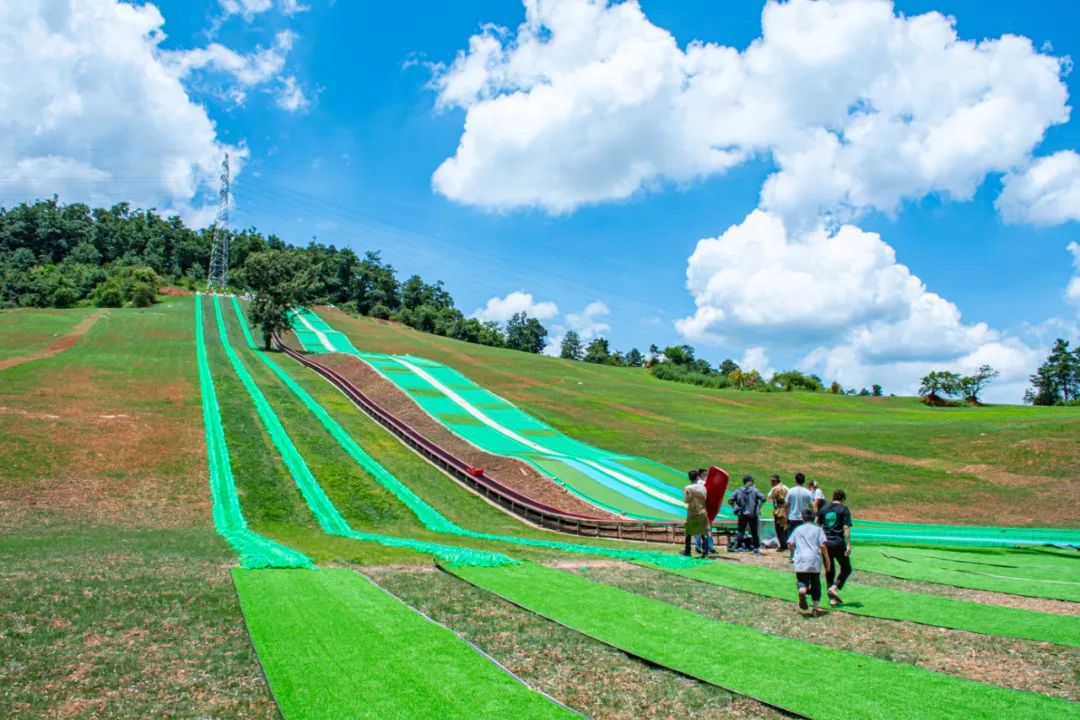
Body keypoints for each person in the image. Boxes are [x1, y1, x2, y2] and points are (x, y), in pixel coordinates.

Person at [788, 508, 831, 616]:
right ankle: (815, 608)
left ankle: (802, 589)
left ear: (802, 518)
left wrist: (793, 554)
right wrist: (827, 560)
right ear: (813, 518)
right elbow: (822, 545)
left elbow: (791, 543)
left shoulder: (798, 529)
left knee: (802, 580)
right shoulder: (818, 530)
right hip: (814, 559)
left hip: (801, 559)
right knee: (816, 583)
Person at [817, 488, 853, 606]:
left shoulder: (824, 509)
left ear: (833, 497)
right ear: (843, 499)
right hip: (838, 542)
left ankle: (832, 599)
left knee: (829, 569)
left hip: (825, 543)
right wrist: (848, 545)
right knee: (846, 568)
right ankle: (834, 588)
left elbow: (818, 524)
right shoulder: (844, 509)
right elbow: (846, 528)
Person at [731, 475, 766, 553]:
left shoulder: (738, 490)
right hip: (753, 513)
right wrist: (759, 508)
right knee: (754, 531)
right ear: (750, 482)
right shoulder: (755, 490)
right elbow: (763, 499)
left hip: (742, 513)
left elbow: (730, 500)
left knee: (741, 531)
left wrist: (735, 507)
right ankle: (756, 548)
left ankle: (739, 547)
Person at [682, 468, 711, 557]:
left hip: (692, 512)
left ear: (689, 478)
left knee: (688, 532)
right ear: (697, 477)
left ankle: (687, 551)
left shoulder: (688, 488)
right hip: (702, 510)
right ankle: (705, 552)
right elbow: (706, 498)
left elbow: (686, 500)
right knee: (704, 532)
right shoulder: (703, 487)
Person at [786, 473, 813, 540]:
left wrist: (786, 516)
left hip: (792, 517)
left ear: (796, 480)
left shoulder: (790, 491)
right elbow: (811, 506)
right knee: (802, 537)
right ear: (804, 481)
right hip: (803, 518)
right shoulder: (807, 492)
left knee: (791, 538)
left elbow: (786, 505)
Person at [766, 474, 789, 552]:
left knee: (779, 528)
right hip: (785, 509)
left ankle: (784, 545)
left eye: (773, 481)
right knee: (784, 527)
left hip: (779, 509)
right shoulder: (785, 487)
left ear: (777, 481)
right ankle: (785, 544)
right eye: (771, 481)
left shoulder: (775, 488)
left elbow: (769, 497)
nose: (771, 483)